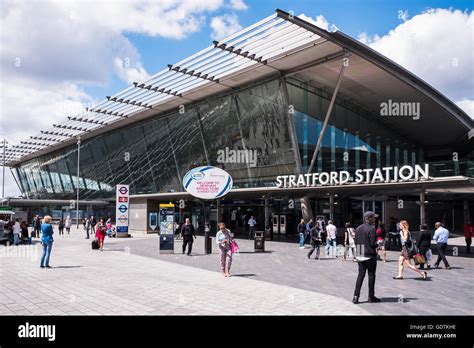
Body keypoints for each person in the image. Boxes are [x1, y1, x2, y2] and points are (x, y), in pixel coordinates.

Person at [352, 211, 380, 304]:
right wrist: (378, 244)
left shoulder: (358, 228)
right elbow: (372, 244)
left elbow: (356, 242)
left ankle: (356, 296)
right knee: (371, 275)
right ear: (368, 218)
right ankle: (371, 297)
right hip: (369, 255)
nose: (374, 219)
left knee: (360, 275)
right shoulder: (372, 229)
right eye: (373, 217)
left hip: (360, 253)